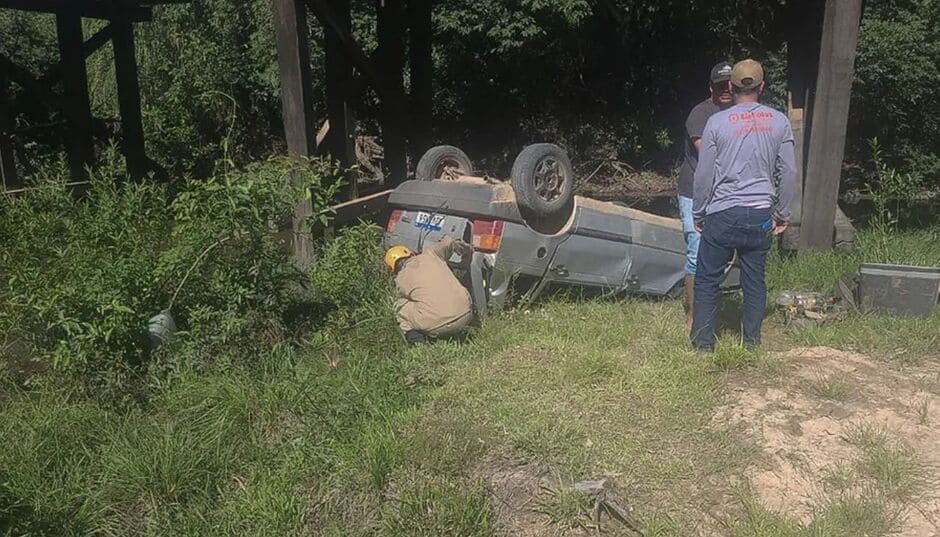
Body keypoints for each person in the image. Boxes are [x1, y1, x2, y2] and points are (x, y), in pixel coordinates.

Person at [690, 58, 796, 352]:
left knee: (708, 280)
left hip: (722, 213)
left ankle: (702, 346)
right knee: (754, 281)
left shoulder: (716, 122)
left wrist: (698, 212)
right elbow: (788, 172)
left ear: (730, 86)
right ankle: (751, 343)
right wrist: (783, 213)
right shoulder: (779, 121)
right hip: (760, 213)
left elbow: (704, 174)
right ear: (762, 87)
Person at [677, 61, 735, 330]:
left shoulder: (739, 112)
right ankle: (693, 315)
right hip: (695, 192)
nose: (726, 89)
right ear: (711, 87)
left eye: (730, 84)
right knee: (696, 251)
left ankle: (714, 307)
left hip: (727, 192)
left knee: (722, 253)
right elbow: (707, 152)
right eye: (720, 85)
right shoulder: (700, 113)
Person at [385, 236, 474, 344]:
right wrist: (466, 249)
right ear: (411, 253)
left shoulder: (400, 279)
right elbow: (448, 241)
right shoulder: (431, 254)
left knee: (399, 305)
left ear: (393, 269)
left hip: (437, 325)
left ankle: (417, 342)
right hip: (467, 313)